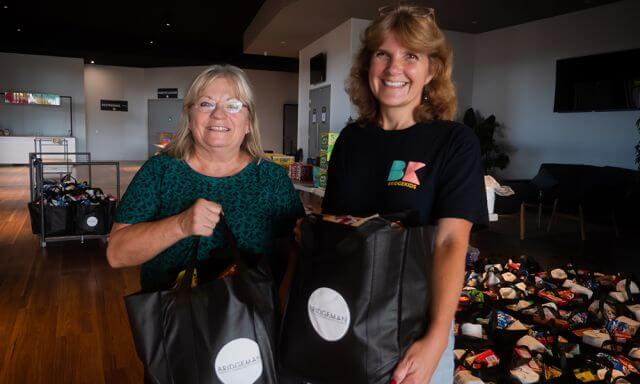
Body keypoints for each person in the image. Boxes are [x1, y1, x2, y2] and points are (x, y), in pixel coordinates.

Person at [321, 5, 488, 383]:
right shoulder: (351, 139)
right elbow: (337, 229)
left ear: (432, 70)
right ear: (368, 65)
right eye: (383, 54)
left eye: (411, 56)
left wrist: (435, 340)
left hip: (412, 329)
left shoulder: (454, 142)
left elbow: (450, 243)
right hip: (346, 317)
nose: (394, 68)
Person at [107, 65, 304, 294]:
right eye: (206, 103)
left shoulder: (271, 178)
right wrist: (180, 225)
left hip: (252, 322)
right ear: (189, 118)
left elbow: (296, 249)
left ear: (249, 122)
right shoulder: (160, 171)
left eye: (233, 105)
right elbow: (116, 254)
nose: (218, 114)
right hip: (174, 320)